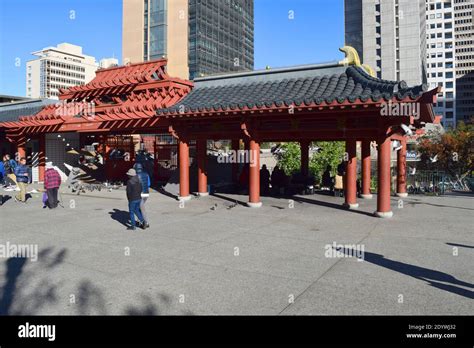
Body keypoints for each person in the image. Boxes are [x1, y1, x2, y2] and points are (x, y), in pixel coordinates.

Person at [134, 163, 150, 229]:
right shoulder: (146, 174)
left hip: (139, 194)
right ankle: (140, 220)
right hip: (146, 193)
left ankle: (146, 222)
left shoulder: (135, 176)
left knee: (140, 208)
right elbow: (149, 184)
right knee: (140, 207)